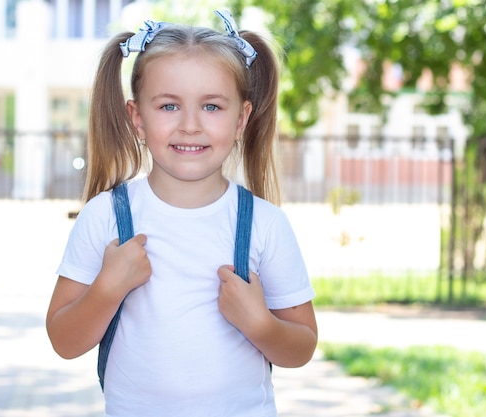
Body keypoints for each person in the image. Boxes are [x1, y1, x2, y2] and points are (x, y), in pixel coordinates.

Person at [46, 10, 317, 417]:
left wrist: (260, 324)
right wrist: (107, 288)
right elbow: (64, 342)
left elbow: (302, 348)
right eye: (169, 106)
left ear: (241, 118)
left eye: (211, 106)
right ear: (137, 117)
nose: (190, 125)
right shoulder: (105, 218)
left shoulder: (265, 224)